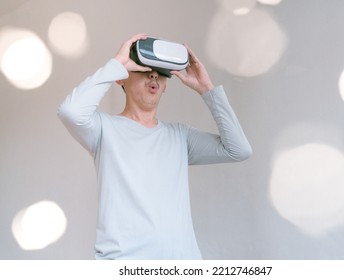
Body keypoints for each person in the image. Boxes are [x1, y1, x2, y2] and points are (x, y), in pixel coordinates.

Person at [58, 33, 252, 260]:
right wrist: (116, 65)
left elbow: (239, 149)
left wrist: (206, 89)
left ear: (165, 86)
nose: (153, 75)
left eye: (161, 72)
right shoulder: (103, 130)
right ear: (121, 78)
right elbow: (70, 112)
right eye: (142, 68)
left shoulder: (180, 136)